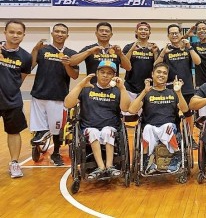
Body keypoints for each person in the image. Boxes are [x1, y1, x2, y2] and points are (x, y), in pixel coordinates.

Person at [64, 61, 130, 180]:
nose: (105, 75)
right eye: (102, 72)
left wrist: (123, 88)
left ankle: (109, 166)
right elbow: (68, 103)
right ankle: (101, 167)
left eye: (109, 73)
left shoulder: (117, 91)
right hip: (89, 127)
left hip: (111, 126)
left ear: (114, 76)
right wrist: (80, 85)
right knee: (93, 131)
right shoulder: (87, 89)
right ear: (97, 73)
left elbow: (125, 108)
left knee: (107, 131)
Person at [30, 23, 79, 166]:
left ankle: (56, 152)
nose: (59, 34)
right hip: (39, 93)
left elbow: (75, 76)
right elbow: (31, 66)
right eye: (57, 31)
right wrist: (34, 49)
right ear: (52, 34)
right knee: (40, 128)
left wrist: (67, 65)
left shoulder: (71, 53)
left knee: (57, 129)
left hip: (59, 96)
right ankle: (40, 141)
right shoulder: (43, 50)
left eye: (63, 32)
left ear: (67, 36)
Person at [128, 63, 188, 173]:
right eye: (158, 72)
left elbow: (185, 109)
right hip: (151, 127)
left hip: (170, 128)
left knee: (167, 126)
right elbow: (132, 110)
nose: (161, 75)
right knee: (147, 128)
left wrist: (179, 92)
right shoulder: (147, 93)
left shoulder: (172, 93)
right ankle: (147, 160)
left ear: (168, 76)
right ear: (152, 74)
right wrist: (144, 92)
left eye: (165, 73)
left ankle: (177, 155)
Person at [154, 24, 201, 149]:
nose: (174, 35)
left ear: (181, 34)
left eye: (176, 33)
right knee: (172, 114)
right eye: (172, 33)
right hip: (170, 88)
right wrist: (163, 53)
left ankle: (190, 137)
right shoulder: (165, 50)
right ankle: (175, 136)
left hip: (187, 87)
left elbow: (198, 62)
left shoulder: (187, 48)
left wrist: (190, 47)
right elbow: (156, 66)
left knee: (189, 114)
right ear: (168, 36)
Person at [0, 20, 32, 178]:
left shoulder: (26, 57)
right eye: (11, 32)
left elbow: (20, 79)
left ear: (23, 35)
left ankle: (14, 163)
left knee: (14, 132)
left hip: (12, 101)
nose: (15, 35)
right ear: (5, 32)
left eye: (19, 33)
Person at [122, 22, 159, 113]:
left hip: (148, 87)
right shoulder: (129, 47)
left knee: (146, 114)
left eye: (146, 30)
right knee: (129, 114)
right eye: (141, 29)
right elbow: (123, 65)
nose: (143, 31)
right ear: (136, 32)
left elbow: (158, 67)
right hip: (130, 87)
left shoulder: (154, 47)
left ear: (149, 33)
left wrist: (155, 53)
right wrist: (131, 50)